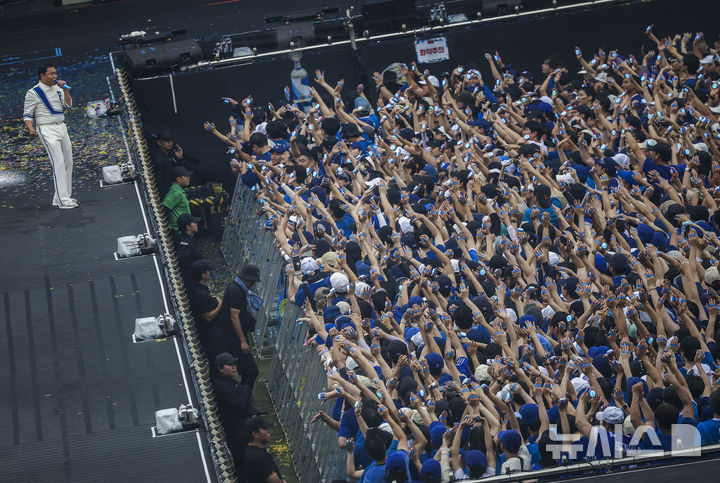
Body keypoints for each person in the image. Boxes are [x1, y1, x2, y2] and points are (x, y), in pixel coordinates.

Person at [23, 63, 76, 209]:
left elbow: (68, 106)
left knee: (68, 162)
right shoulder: (33, 92)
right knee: (58, 163)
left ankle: (61, 197)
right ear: (42, 75)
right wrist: (31, 129)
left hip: (61, 127)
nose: (55, 76)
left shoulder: (59, 88)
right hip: (46, 129)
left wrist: (65, 90)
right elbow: (27, 115)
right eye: (52, 74)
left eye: (56, 73)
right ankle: (63, 200)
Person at [219, 263, 262, 392]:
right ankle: (244, 399)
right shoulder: (236, 292)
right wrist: (243, 341)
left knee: (248, 370)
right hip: (234, 338)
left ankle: (244, 398)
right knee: (251, 371)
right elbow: (234, 317)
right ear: (247, 280)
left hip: (235, 335)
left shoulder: (236, 288)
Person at [213, 352, 253, 477]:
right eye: (229, 365)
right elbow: (239, 403)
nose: (234, 367)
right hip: (236, 431)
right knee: (242, 462)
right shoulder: (221, 386)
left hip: (242, 426)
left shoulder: (231, 382)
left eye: (234, 364)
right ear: (220, 368)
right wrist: (246, 390)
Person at [189, 260, 225, 362]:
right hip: (211, 335)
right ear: (203, 275)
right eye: (207, 271)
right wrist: (219, 305)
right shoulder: (200, 294)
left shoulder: (199, 290)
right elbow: (208, 317)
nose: (209, 273)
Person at [244, 416, 285, 483]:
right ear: (255, 434)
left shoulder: (249, 451)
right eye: (265, 428)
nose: (268, 431)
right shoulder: (260, 458)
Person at [151, 129, 186, 197]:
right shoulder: (159, 160)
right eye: (166, 141)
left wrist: (179, 159)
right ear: (159, 142)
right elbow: (163, 183)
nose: (169, 143)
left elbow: (176, 172)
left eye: (171, 140)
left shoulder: (169, 155)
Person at [174, 213, 203, 283]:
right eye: (194, 222)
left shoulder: (182, 238)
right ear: (188, 227)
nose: (196, 224)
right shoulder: (186, 244)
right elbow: (180, 259)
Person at [162, 166, 192, 231]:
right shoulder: (176, 192)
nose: (189, 178)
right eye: (186, 176)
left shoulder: (177, 191)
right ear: (178, 179)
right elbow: (164, 208)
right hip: (178, 231)